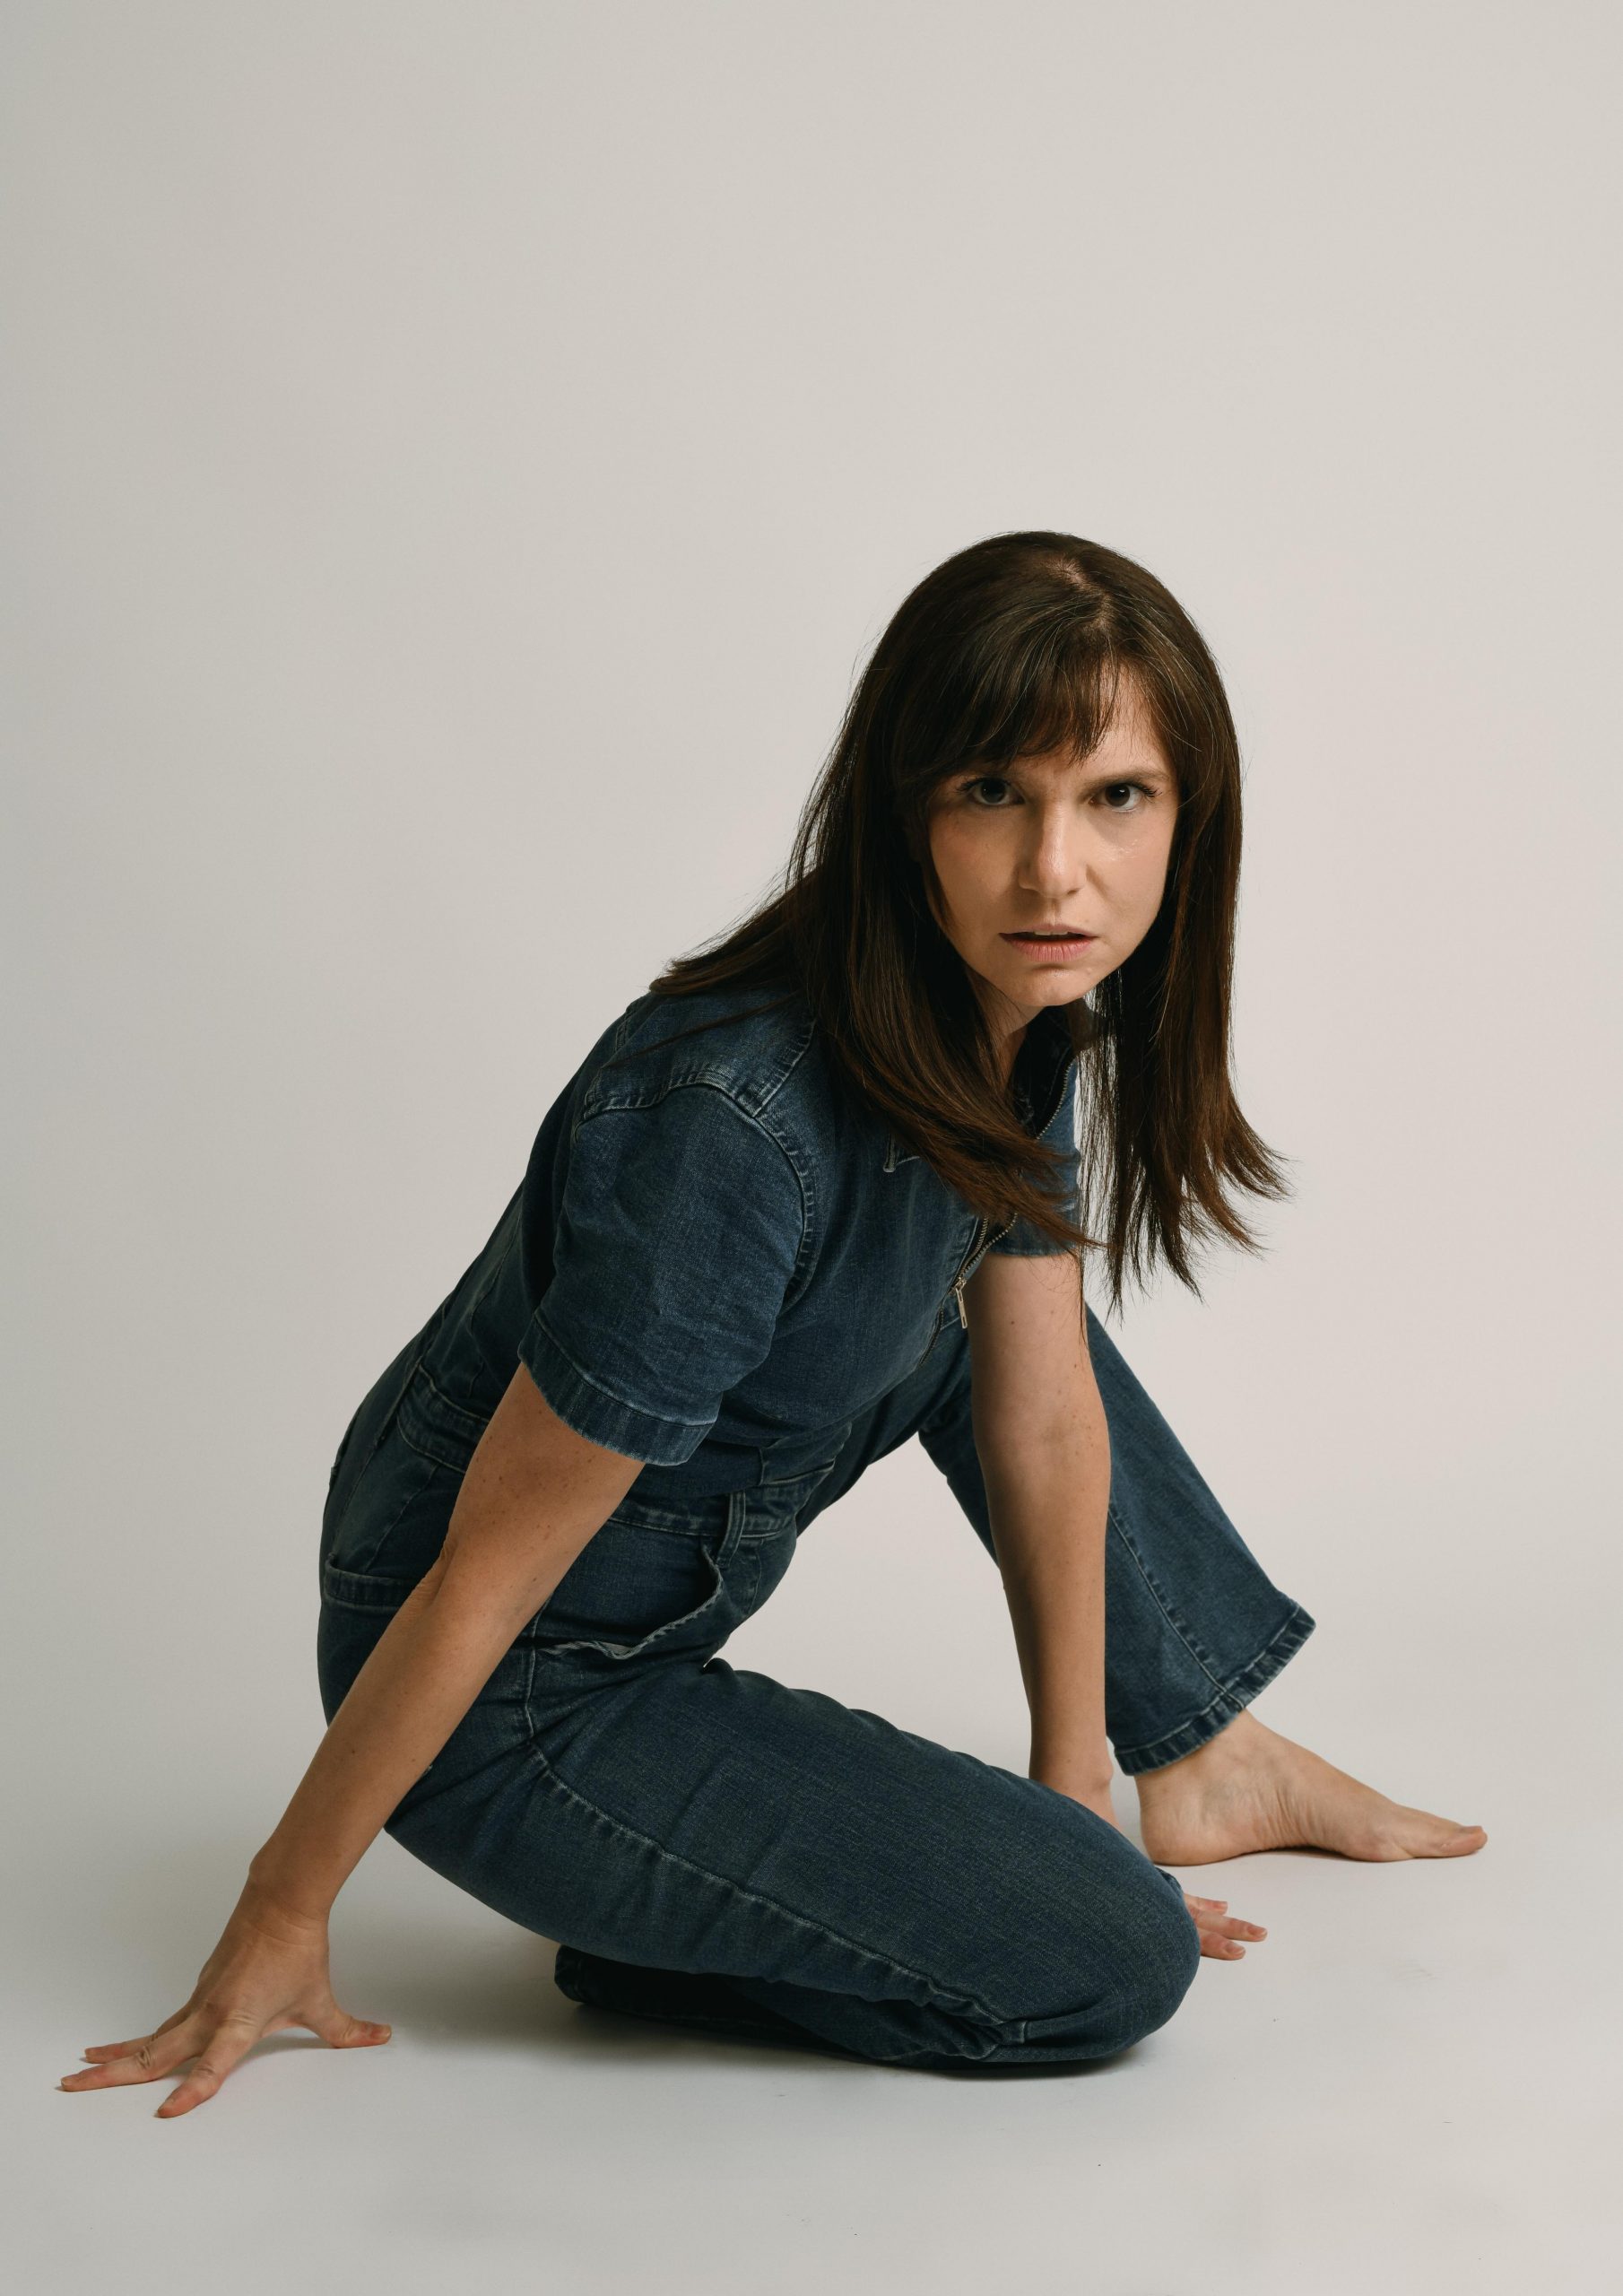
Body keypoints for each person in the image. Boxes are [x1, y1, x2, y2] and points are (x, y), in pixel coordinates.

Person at [62, 531, 1486, 2116]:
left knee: (999, 1336)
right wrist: (281, 1908)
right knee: (1109, 1959)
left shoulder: (1012, 1011)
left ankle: (1197, 1756)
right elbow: (487, 1570)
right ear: (902, 808)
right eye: (991, 792)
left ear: (1186, 818)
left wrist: (1070, 1783)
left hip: (621, 1604)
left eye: (1115, 796)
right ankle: (657, 1924)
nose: (1053, 871)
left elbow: (1039, 1413)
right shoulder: (734, 1125)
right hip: (514, 1695)